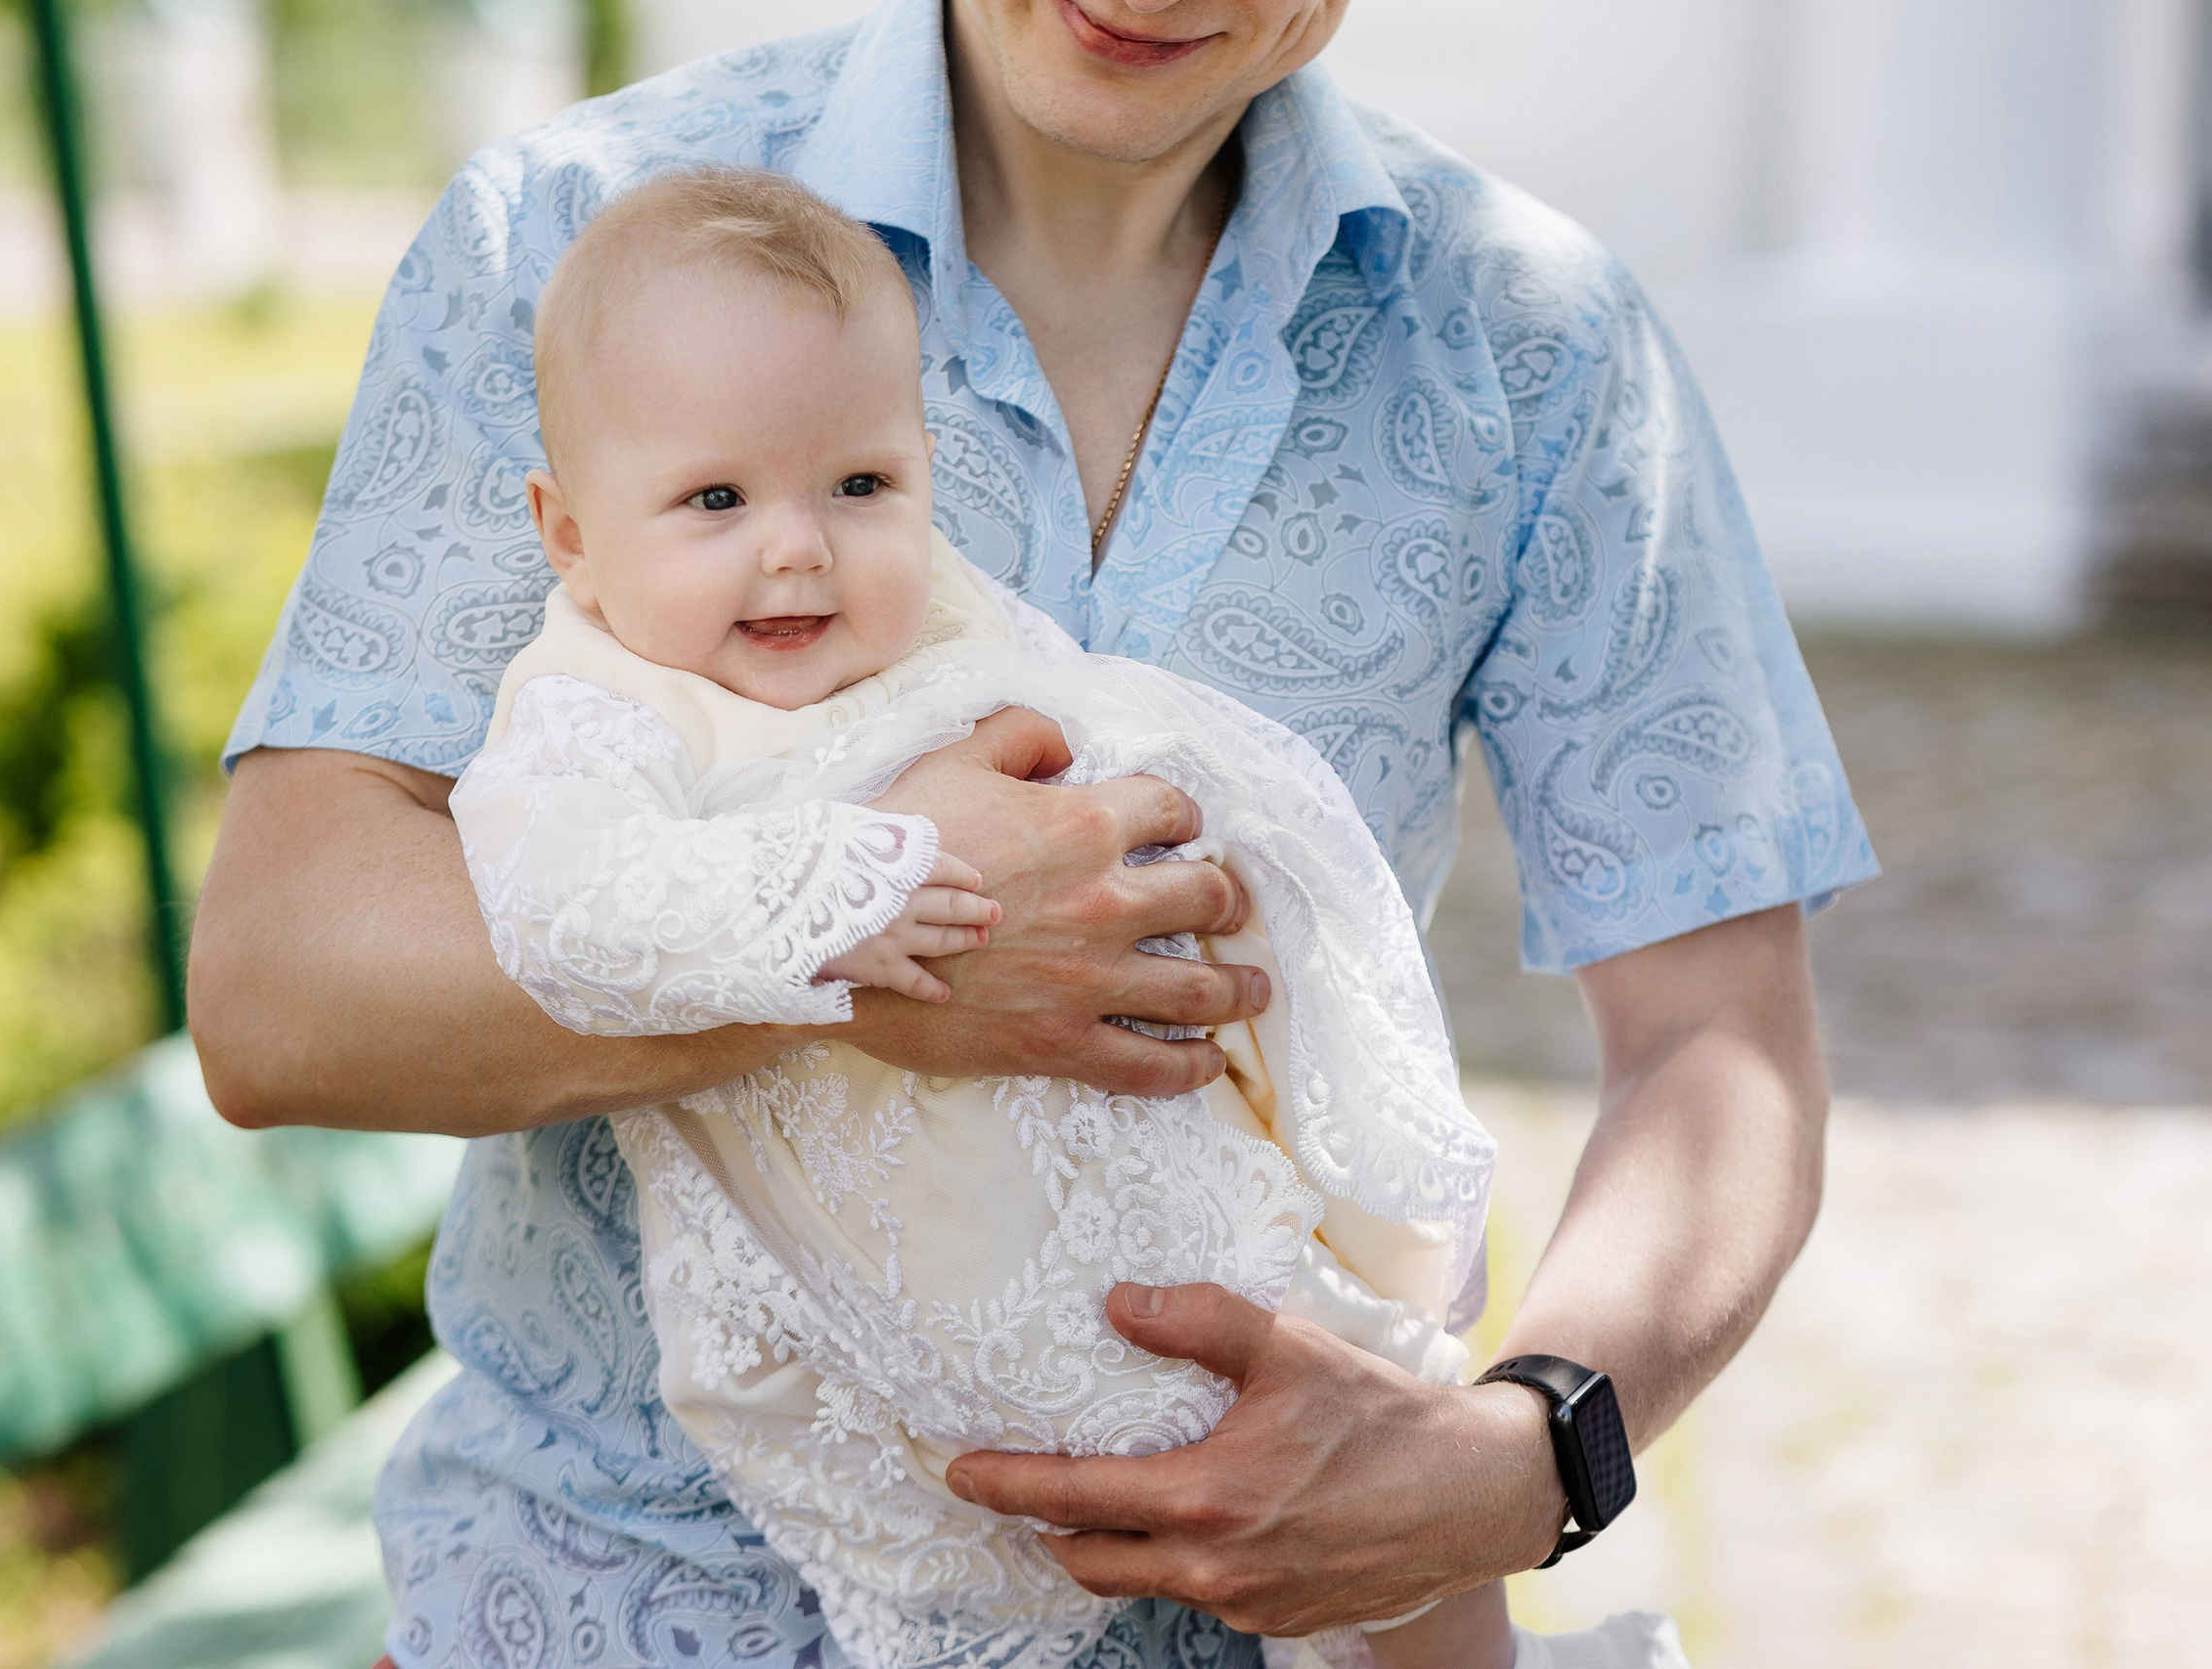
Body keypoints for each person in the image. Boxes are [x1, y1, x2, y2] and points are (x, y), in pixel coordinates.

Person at [188, 0, 1878, 1662]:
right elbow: (280, 992)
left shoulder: (1534, 344)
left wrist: (1518, 1459)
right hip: (610, 1608)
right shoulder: (564, 237)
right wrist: (865, 956)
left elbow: (1716, 1045)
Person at [443, 163, 1558, 1669]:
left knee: (1385, 1484)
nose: (798, 548)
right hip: (894, 1296)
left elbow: (1077, 724)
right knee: (960, 1578)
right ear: (568, 532)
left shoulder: (937, 614)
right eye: (715, 499)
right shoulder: (593, 709)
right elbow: (564, 910)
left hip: (1165, 1200)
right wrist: (850, 893)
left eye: (861, 485)